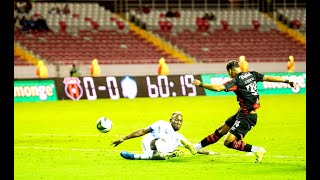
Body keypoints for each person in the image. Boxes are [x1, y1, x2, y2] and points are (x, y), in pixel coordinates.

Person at [191, 60, 298, 163]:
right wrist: (288, 81)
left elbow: (218, 88)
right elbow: (269, 77)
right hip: (242, 113)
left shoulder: (236, 81)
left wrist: (201, 84)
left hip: (247, 116)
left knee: (228, 142)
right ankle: (196, 147)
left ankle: (257, 150)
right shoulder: (252, 74)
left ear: (230, 71)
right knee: (220, 130)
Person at [111, 112, 216, 160]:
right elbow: (142, 131)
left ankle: (135, 156)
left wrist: (210, 153)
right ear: (171, 120)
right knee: (160, 141)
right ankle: (167, 154)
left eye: (180, 121)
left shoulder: (179, 137)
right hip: (150, 142)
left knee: (154, 156)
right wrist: (123, 138)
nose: (178, 122)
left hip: (156, 152)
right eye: (176, 120)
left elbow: (196, 149)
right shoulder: (161, 123)